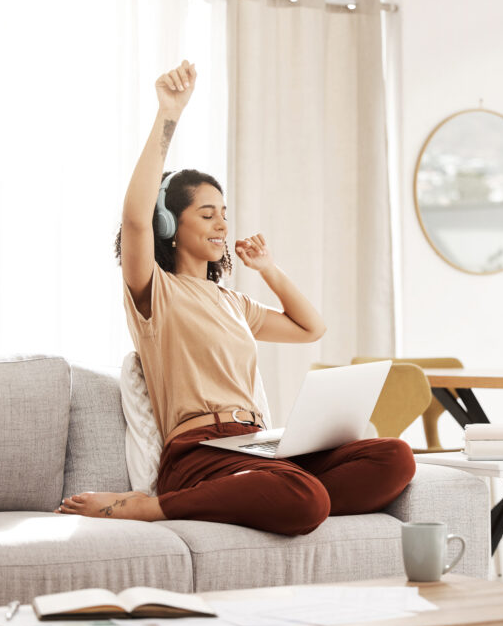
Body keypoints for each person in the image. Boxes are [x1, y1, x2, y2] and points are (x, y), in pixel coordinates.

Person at [57, 60, 415, 535]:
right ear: (172, 226)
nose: (223, 225)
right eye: (207, 215)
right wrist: (169, 114)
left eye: (224, 213)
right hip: (199, 453)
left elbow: (312, 328)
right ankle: (154, 506)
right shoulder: (155, 293)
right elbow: (136, 218)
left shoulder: (233, 303)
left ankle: (277, 491)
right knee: (305, 497)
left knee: (394, 457)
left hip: (256, 445)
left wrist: (268, 270)